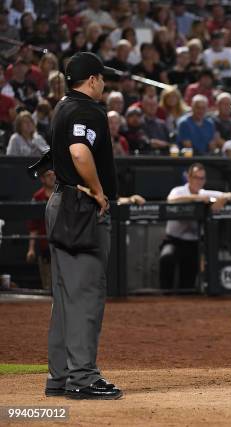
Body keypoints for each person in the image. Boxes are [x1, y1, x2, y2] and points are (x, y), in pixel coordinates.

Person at [45, 52, 122, 399]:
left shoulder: (62, 105)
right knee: (85, 295)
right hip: (80, 208)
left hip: (60, 203)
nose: (103, 83)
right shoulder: (87, 109)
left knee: (65, 296)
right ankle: (83, 378)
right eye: (102, 78)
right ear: (91, 80)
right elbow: (79, 151)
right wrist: (98, 190)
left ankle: (60, 376)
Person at [159, 163, 231, 290]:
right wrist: (197, 198)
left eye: (202, 178)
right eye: (196, 177)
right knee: (166, 258)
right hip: (173, 240)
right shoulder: (179, 190)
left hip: (193, 243)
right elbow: (171, 200)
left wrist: (223, 199)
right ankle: (165, 294)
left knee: (188, 281)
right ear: (188, 178)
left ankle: (185, 299)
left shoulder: (205, 193)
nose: (199, 181)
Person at [26, 169, 56, 290]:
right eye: (48, 176)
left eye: (54, 175)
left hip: (63, 247)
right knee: (48, 285)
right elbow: (34, 226)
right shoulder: (37, 197)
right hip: (45, 248)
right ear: (42, 179)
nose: (52, 178)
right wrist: (31, 249)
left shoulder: (63, 195)